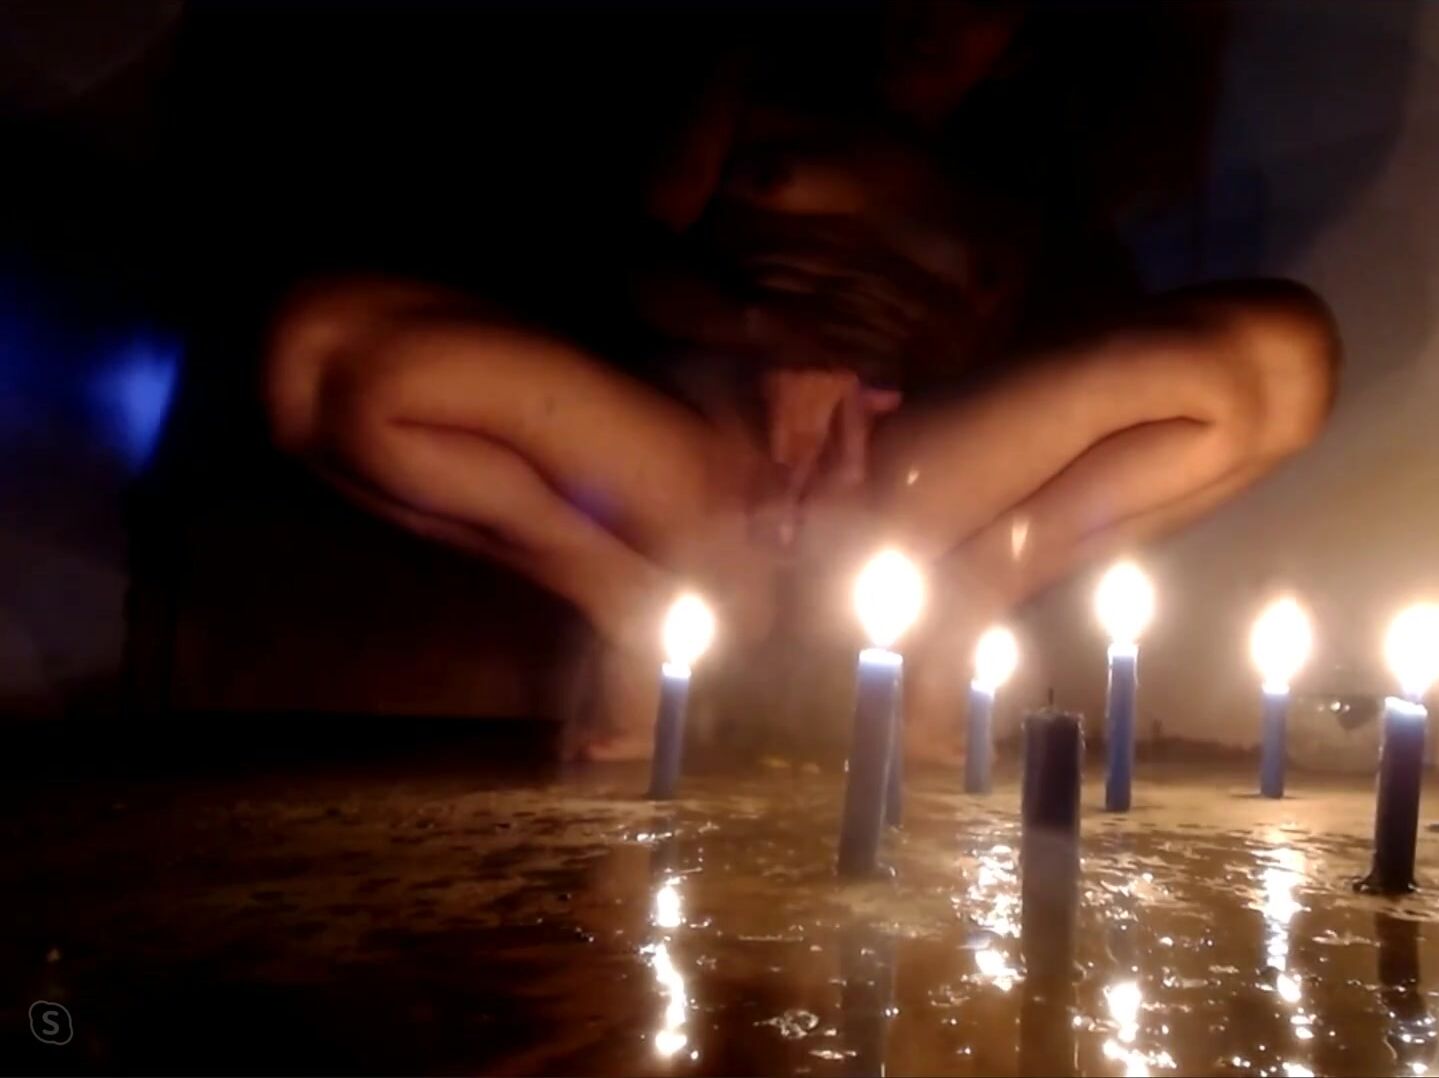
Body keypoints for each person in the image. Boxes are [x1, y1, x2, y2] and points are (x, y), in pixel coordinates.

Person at [259, 1, 1338, 759]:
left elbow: (1082, 370)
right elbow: (626, 253)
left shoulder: (1026, 188)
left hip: (899, 488)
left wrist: (916, 422)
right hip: (696, 459)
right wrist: (767, 331)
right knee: (313, 354)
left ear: (1018, 39)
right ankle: (625, 598)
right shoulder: (760, 86)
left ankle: (968, 599)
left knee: (1286, 361)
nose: (935, 16)